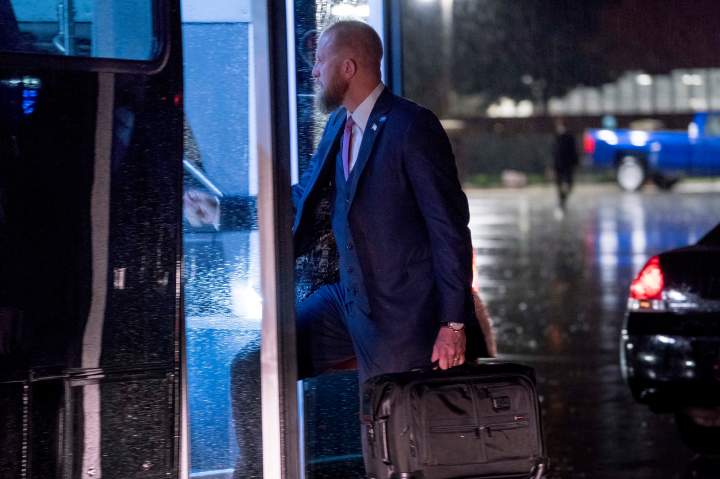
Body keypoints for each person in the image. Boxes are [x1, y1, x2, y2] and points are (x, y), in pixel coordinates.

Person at [552, 119, 579, 215]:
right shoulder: (557, 137)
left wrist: (575, 163)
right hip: (559, 165)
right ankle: (561, 200)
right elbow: (554, 152)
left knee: (569, 183)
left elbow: (573, 151)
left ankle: (563, 199)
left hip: (567, 165)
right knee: (559, 184)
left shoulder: (569, 137)